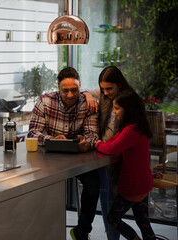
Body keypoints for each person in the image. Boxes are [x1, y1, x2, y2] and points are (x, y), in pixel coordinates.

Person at [28, 67, 100, 240]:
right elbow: (32, 133)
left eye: (74, 90)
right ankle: (43, 230)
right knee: (41, 187)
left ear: (80, 86)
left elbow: (93, 134)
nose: (70, 95)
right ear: (58, 88)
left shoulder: (87, 103)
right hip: (49, 158)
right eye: (65, 90)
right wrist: (50, 139)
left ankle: (82, 231)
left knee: (94, 184)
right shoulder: (45, 101)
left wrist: (87, 144)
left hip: (78, 157)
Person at [82, 65, 135, 240]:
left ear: (119, 84)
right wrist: (89, 95)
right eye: (102, 88)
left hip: (120, 155)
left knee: (113, 203)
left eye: (109, 89)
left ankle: (113, 236)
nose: (105, 93)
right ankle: (110, 235)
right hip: (104, 153)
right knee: (106, 201)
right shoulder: (104, 94)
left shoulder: (130, 100)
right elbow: (85, 90)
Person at [95, 90, 156, 240]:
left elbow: (111, 148)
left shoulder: (130, 130)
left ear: (128, 109)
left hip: (133, 186)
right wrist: (104, 143)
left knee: (113, 218)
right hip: (143, 183)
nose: (114, 112)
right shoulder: (138, 127)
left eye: (117, 108)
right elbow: (112, 142)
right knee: (143, 223)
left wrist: (96, 143)